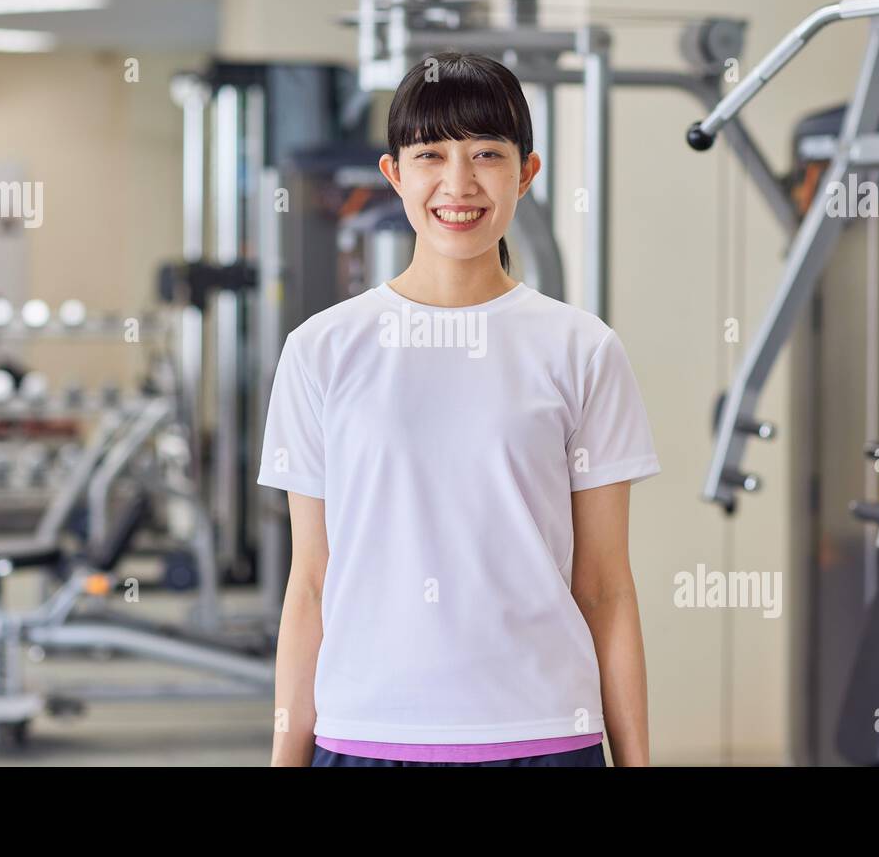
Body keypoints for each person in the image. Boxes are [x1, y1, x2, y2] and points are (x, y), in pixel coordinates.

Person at [259, 51, 660, 767]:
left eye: (486, 154)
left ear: (527, 173)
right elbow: (311, 582)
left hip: (545, 733)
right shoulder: (321, 349)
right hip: (365, 736)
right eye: (431, 154)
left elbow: (603, 587)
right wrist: (286, 756)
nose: (459, 183)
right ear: (394, 175)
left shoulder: (582, 349)